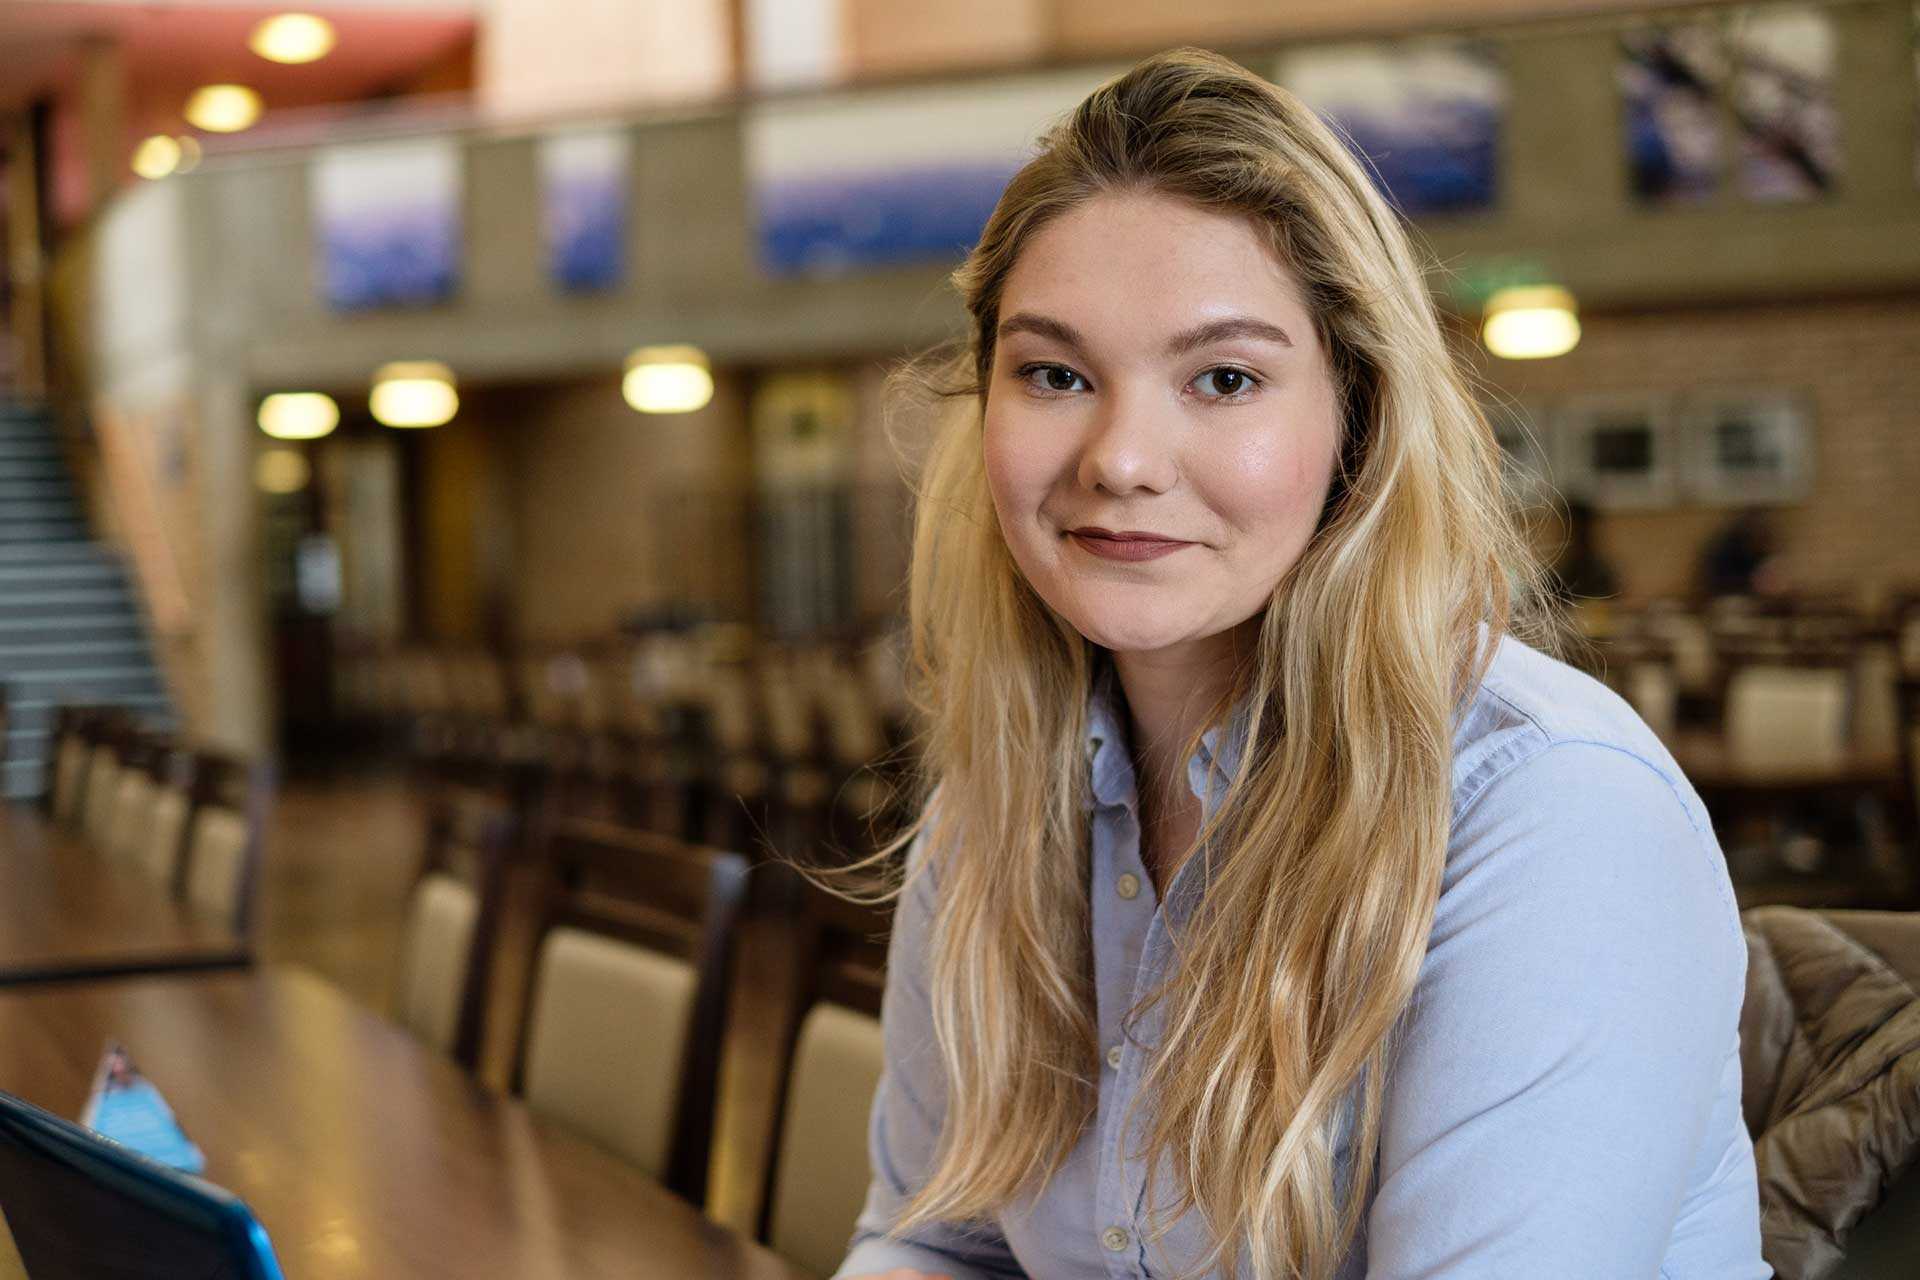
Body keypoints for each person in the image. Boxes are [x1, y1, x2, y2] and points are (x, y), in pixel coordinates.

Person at [834, 49, 1766, 1280]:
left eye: (1224, 378)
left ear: (1358, 418)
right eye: (1056, 373)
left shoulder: (1550, 808)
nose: (1121, 458)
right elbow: (936, 1235)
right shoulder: (997, 806)